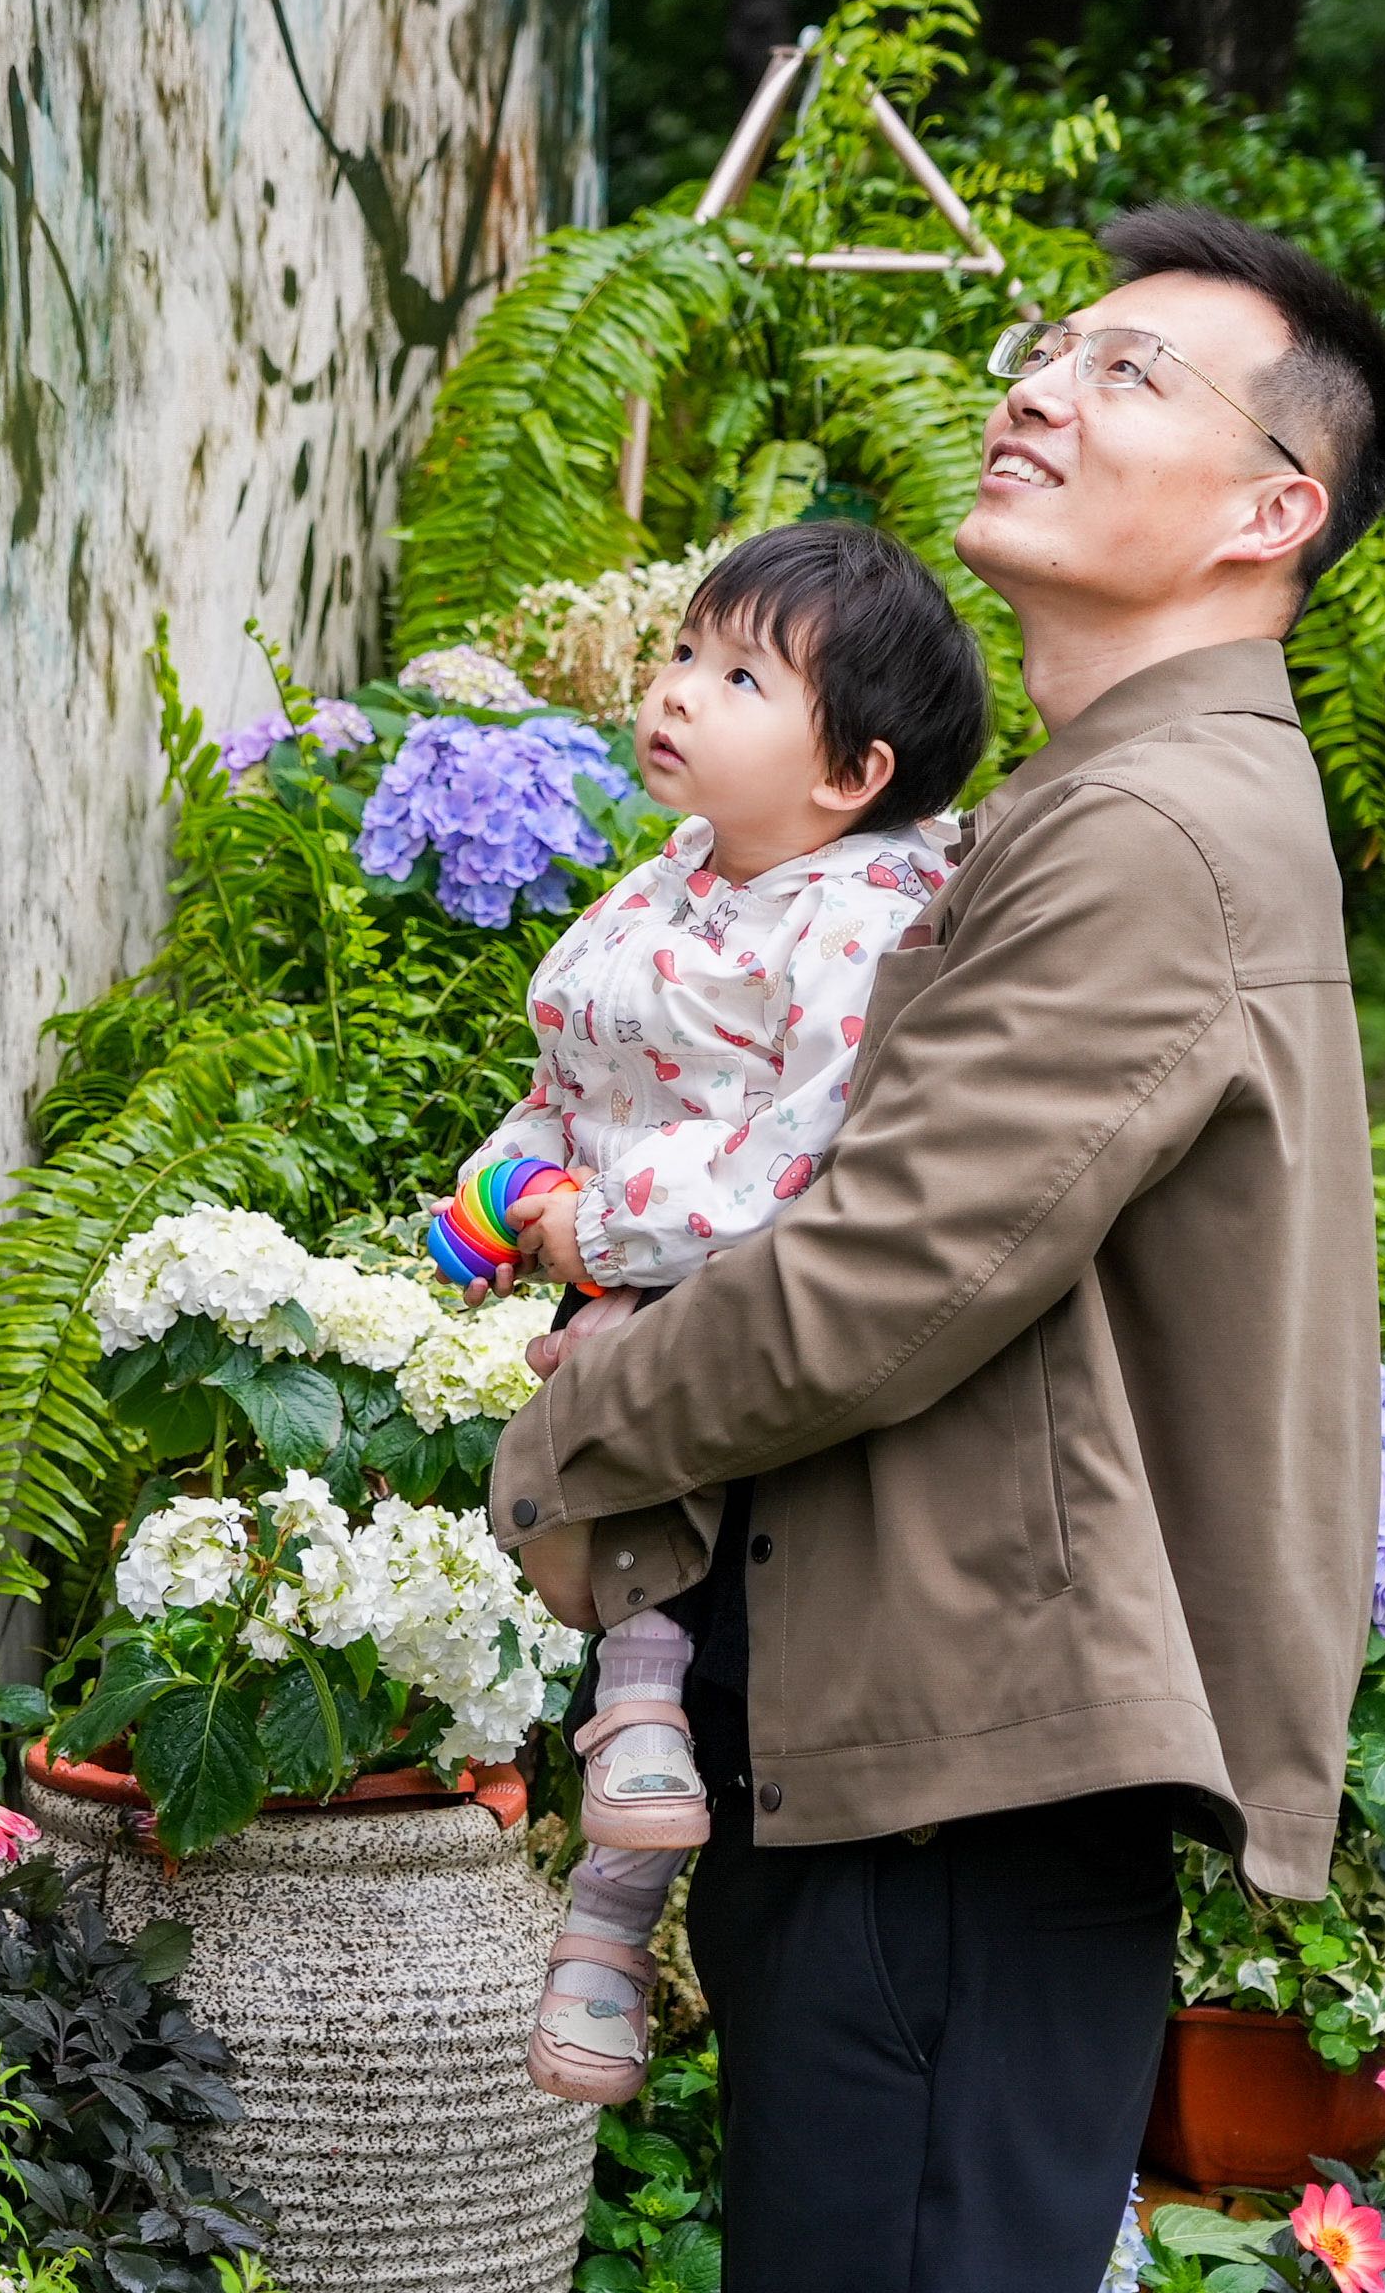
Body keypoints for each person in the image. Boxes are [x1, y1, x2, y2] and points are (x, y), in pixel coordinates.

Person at [482, 205, 1385, 2293]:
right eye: (1050, 345)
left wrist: (570, 1433)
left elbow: (893, 1274)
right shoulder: (1099, 803)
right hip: (928, 1738)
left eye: (1129, 373)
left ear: (1277, 509)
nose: (1043, 386)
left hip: (966, 1783)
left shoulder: (1150, 832)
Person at [418, 522, 990, 2106]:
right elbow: (571, 1080)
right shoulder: (676, 874)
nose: (677, 691)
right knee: (599, 1422)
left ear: (855, 771)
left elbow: (801, 1153)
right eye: (683, 653)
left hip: (720, 1295)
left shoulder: (860, 913)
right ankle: (627, 1793)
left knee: (634, 1422)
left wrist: (590, 1227)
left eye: (740, 677)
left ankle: (612, 1897)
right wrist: (492, 1199)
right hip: (606, 1264)